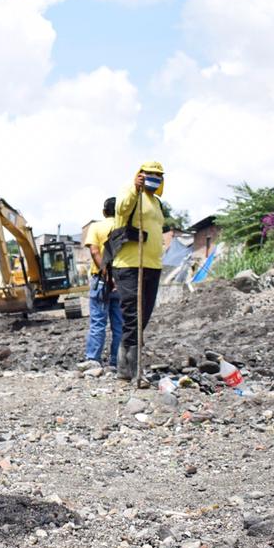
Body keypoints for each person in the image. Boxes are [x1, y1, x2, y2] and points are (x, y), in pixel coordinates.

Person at [112, 162, 166, 384]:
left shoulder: (157, 202)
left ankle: (124, 367)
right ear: (141, 175)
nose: (155, 177)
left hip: (152, 265)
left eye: (158, 175)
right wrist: (135, 188)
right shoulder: (130, 191)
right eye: (150, 174)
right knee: (133, 315)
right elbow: (122, 209)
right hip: (130, 264)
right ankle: (133, 370)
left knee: (143, 316)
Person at [80, 197, 123, 369]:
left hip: (101, 280)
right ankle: (117, 361)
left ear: (104, 212)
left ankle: (93, 359)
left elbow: (94, 251)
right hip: (122, 280)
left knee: (98, 322)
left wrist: (106, 273)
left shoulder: (96, 227)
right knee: (119, 324)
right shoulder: (124, 227)